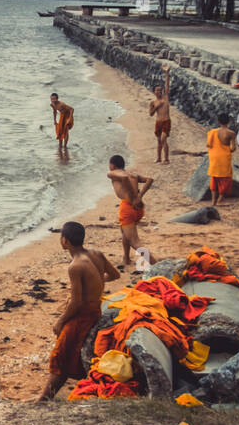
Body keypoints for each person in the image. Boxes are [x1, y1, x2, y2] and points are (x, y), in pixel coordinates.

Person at [38, 221, 119, 401]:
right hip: (95, 307)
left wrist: (60, 320)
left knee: (61, 353)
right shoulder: (97, 254)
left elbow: (76, 302)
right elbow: (115, 275)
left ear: (65, 241)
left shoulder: (75, 266)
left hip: (84, 314)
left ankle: (44, 399)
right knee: (69, 349)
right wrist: (96, 284)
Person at [107, 155, 154, 267]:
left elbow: (123, 178)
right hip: (138, 208)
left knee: (135, 242)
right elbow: (150, 180)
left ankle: (155, 264)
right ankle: (126, 258)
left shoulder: (112, 173)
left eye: (109, 164)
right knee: (125, 233)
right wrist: (139, 196)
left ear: (112, 165)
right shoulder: (132, 174)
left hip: (128, 207)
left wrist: (134, 197)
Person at [206, 113, 236, 206]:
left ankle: (213, 201)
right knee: (226, 179)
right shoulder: (231, 133)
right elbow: (233, 148)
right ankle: (220, 200)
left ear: (218, 122)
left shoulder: (212, 132)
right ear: (229, 122)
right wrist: (228, 148)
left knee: (214, 178)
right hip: (224, 157)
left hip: (214, 157)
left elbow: (208, 145)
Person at [148, 65, 171, 163]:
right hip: (158, 122)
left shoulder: (165, 98)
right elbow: (151, 114)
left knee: (163, 139)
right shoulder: (153, 103)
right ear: (154, 92)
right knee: (159, 141)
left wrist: (166, 73)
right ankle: (159, 158)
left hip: (166, 121)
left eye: (160, 90)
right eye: (157, 90)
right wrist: (157, 107)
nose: (159, 91)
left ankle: (166, 159)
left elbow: (167, 85)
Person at [50, 93, 74, 159]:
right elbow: (54, 111)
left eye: (54, 99)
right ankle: (60, 146)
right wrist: (54, 120)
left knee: (65, 130)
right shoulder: (52, 104)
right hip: (62, 115)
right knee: (60, 131)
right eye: (52, 99)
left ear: (57, 99)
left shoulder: (62, 104)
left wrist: (69, 119)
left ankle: (65, 146)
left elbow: (72, 109)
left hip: (68, 115)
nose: (53, 100)